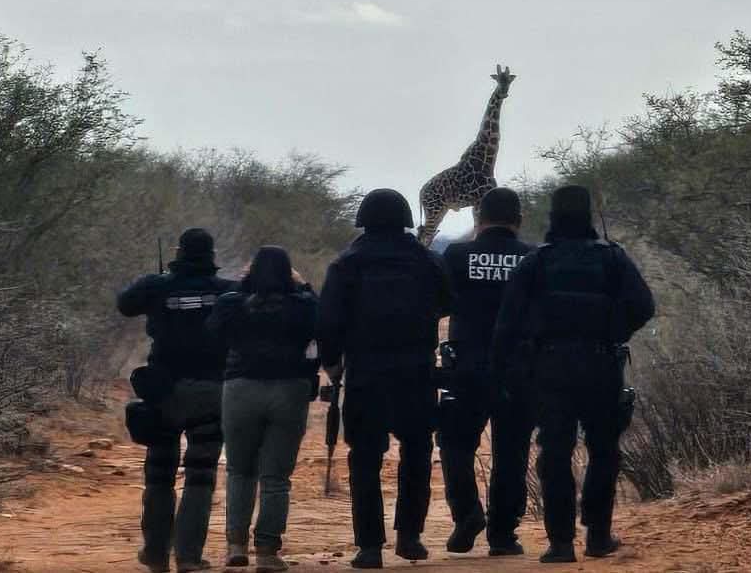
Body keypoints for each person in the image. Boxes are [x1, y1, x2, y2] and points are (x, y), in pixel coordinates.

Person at [492, 186, 655, 564]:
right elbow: (643, 306)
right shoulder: (613, 258)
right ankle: (598, 536)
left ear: (552, 216)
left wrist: (504, 372)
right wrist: (615, 331)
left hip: (550, 370)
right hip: (601, 366)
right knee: (603, 451)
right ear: (589, 215)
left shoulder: (536, 262)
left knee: (555, 454)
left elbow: (507, 324)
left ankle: (561, 544)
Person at [318, 188, 452, 569]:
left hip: (366, 373)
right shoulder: (428, 261)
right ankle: (409, 536)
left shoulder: (347, 264)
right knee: (417, 451)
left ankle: (370, 547)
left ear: (363, 220)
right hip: (417, 371)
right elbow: (448, 302)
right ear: (407, 220)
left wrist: (332, 364)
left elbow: (328, 320)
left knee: (364, 458)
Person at [117, 228, 237, 573]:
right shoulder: (228, 291)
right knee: (200, 475)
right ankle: (188, 557)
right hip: (211, 393)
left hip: (163, 393)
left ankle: (155, 553)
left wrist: (155, 281)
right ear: (212, 255)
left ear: (179, 252)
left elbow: (125, 304)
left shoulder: (158, 286)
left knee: (159, 473)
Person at [436, 187, 535, 556]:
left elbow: (439, 304)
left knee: (455, 443)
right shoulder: (531, 258)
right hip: (518, 370)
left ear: (478, 221)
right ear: (519, 221)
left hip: (467, 367)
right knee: (512, 451)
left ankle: (467, 514)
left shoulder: (458, 255)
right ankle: (503, 534)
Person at [208, 246, 318, 573]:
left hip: (240, 390)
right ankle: (268, 551)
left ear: (250, 271)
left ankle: (235, 545)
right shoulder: (303, 305)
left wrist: (242, 285)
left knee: (240, 471)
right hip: (289, 391)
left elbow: (212, 335)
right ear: (288, 274)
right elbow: (324, 321)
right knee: (276, 477)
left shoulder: (231, 302)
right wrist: (302, 286)